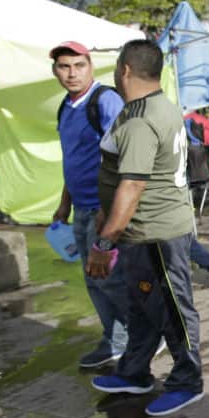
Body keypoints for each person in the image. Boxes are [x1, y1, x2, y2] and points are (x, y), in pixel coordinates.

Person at [88, 39, 205, 417]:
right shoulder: (155, 106)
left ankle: (188, 381)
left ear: (124, 69)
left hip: (157, 232)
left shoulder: (141, 119)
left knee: (173, 308)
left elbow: (133, 184)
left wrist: (104, 244)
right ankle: (135, 371)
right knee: (142, 306)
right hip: (143, 232)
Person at [50, 41, 131, 369]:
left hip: (104, 210)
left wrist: (107, 208)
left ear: (91, 66)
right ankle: (115, 339)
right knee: (94, 279)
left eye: (78, 65)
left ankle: (141, 337)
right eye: (64, 67)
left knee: (112, 278)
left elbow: (124, 157)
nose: (71, 73)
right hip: (81, 208)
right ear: (55, 71)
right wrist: (63, 203)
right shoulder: (65, 107)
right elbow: (73, 160)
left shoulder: (104, 100)